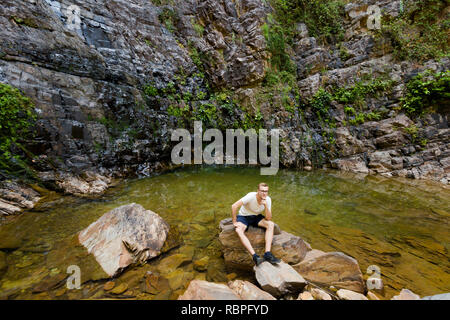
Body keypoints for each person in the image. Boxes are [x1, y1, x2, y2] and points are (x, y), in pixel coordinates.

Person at [231, 182, 281, 266]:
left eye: (266, 191)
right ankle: (255, 257)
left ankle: (267, 254)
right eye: (262, 191)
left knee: (271, 224)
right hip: (244, 216)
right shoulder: (251, 196)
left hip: (256, 217)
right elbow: (234, 206)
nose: (264, 193)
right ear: (258, 191)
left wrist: (265, 206)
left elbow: (268, 218)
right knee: (239, 230)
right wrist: (234, 221)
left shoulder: (268, 199)